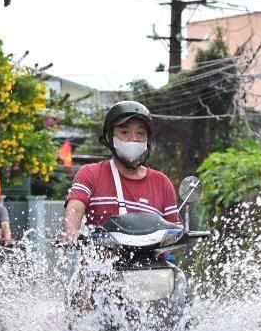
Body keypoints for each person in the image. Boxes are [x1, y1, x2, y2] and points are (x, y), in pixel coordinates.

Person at [60, 101, 179, 240]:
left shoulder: (162, 182)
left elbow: (174, 231)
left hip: (154, 261)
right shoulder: (90, 173)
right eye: (124, 132)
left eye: (140, 133)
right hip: (101, 261)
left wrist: (179, 236)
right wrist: (71, 230)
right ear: (109, 137)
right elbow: (75, 206)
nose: (133, 139)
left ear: (147, 139)